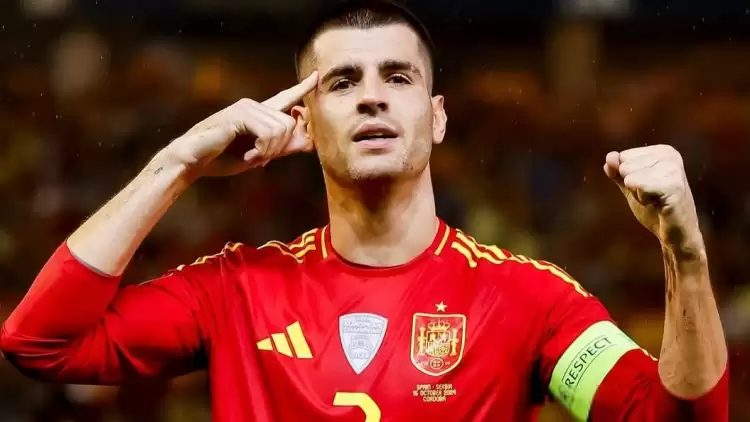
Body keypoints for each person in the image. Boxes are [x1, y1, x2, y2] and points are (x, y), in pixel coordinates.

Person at [0, 1, 728, 420]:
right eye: (343, 81)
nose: (373, 96)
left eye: (398, 77)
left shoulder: (527, 297)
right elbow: (40, 345)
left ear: (436, 117)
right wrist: (178, 164)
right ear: (304, 123)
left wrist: (685, 254)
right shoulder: (235, 290)